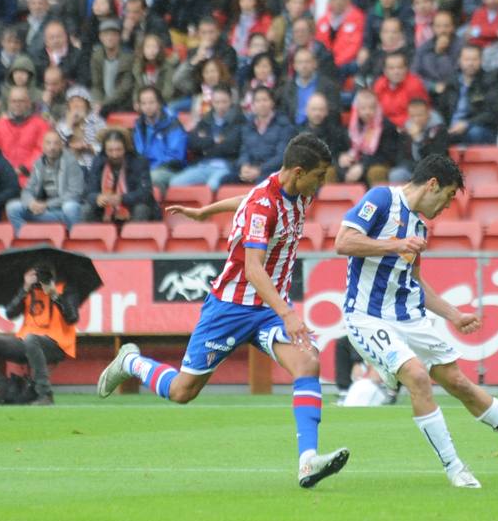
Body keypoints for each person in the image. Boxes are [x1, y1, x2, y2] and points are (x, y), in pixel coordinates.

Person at [96, 133, 351, 490]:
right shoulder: (265, 204)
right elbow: (253, 268)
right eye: (319, 175)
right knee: (183, 391)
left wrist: (207, 211)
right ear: (298, 171)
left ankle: (308, 460)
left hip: (267, 309)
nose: (321, 184)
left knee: (307, 363)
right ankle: (132, 362)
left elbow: (245, 199)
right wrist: (288, 313)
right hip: (231, 308)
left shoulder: (294, 193)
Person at [335, 153, 498, 488]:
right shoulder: (381, 199)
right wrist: (395, 244)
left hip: (408, 317)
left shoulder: (419, 227)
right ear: (432, 185)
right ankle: (455, 468)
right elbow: (343, 242)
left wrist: (454, 315)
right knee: (417, 376)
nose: (448, 205)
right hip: (367, 316)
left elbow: (414, 282)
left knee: (459, 383)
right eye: (449, 195)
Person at [0, 264, 79, 406]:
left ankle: (45, 394)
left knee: (31, 339)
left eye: (43, 273)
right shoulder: (28, 290)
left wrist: (54, 295)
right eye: (36, 273)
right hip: (25, 342)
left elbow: (72, 317)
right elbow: (10, 314)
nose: (39, 277)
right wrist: (24, 288)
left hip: (56, 344)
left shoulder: (66, 288)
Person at [7, 130, 86, 231]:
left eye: (56, 143)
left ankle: (75, 238)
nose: (52, 147)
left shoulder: (71, 162)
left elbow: (75, 193)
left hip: (63, 211)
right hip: (43, 210)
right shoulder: (38, 163)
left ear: (61, 146)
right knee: (12, 207)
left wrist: (47, 204)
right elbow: (27, 190)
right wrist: (31, 203)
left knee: (70, 207)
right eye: (48, 143)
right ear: (43, 146)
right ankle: (27, 237)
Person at [84, 128, 160, 223]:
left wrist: (122, 198)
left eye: (118, 150)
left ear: (125, 149)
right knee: (87, 209)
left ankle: (133, 233)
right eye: (110, 150)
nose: (115, 155)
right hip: (106, 208)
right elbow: (89, 192)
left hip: (133, 206)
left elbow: (145, 192)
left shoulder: (139, 161)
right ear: (104, 150)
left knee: (141, 209)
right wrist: (97, 197)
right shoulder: (98, 162)